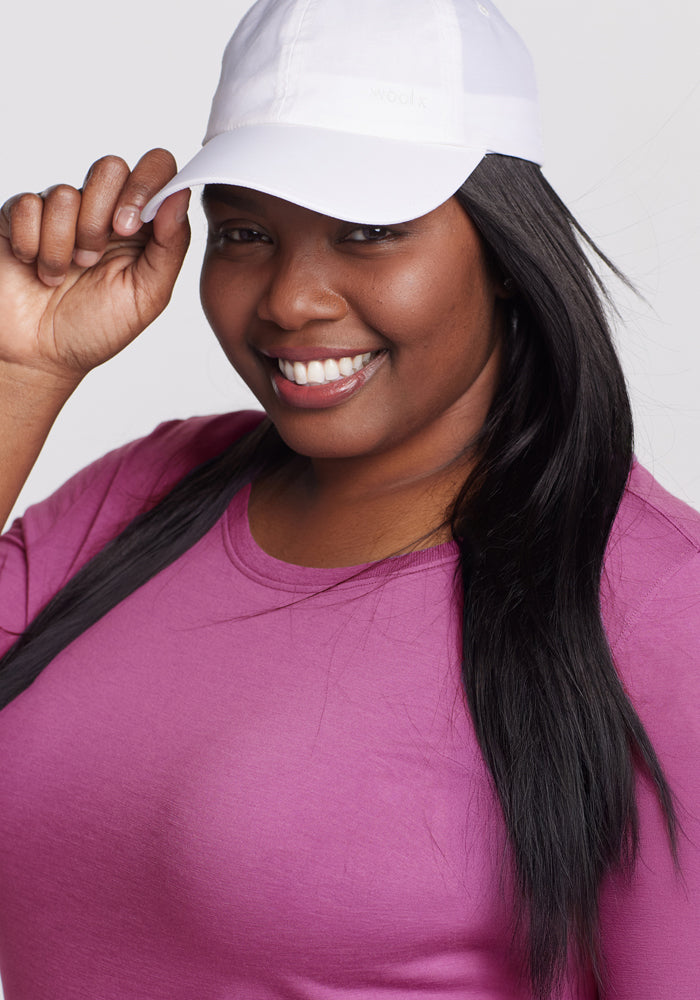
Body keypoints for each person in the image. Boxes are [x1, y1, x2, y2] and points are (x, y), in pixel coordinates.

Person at [0, 0, 698, 997]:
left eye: (368, 229)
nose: (290, 298)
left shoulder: (658, 606)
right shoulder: (146, 493)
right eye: (243, 231)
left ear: (504, 250)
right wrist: (18, 369)